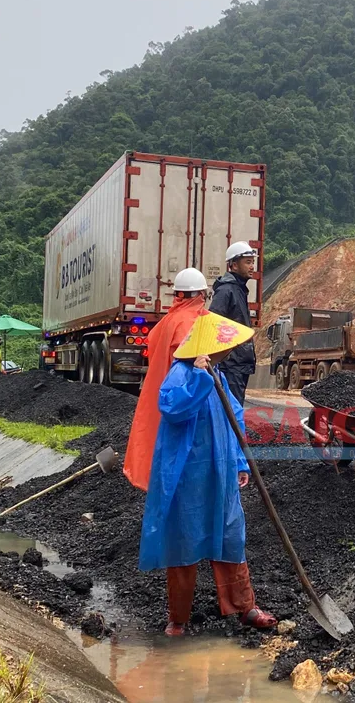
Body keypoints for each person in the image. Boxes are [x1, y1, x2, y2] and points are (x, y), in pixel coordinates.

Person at [138, 309, 277, 635]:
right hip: (188, 476)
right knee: (184, 541)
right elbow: (172, 408)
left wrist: (239, 461)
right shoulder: (181, 374)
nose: (228, 352)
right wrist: (200, 377)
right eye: (223, 348)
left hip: (220, 472)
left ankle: (245, 607)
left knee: (230, 536)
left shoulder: (219, 376)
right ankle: (178, 618)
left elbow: (234, 417)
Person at [124, 268, 211, 491]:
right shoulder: (191, 323)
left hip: (163, 394)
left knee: (158, 443)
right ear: (200, 294)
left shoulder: (167, 321)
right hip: (184, 398)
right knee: (184, 457)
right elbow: (194, 364)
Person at [209, 242, 257, 405]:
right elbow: (214, 324)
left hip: (238, 364)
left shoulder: (239, 289)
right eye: (248, 262)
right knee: (231, 409)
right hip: (230, 364)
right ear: (234, 265)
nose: (252, 266)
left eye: (253, 262)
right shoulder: (226, 290)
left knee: (234, 408)